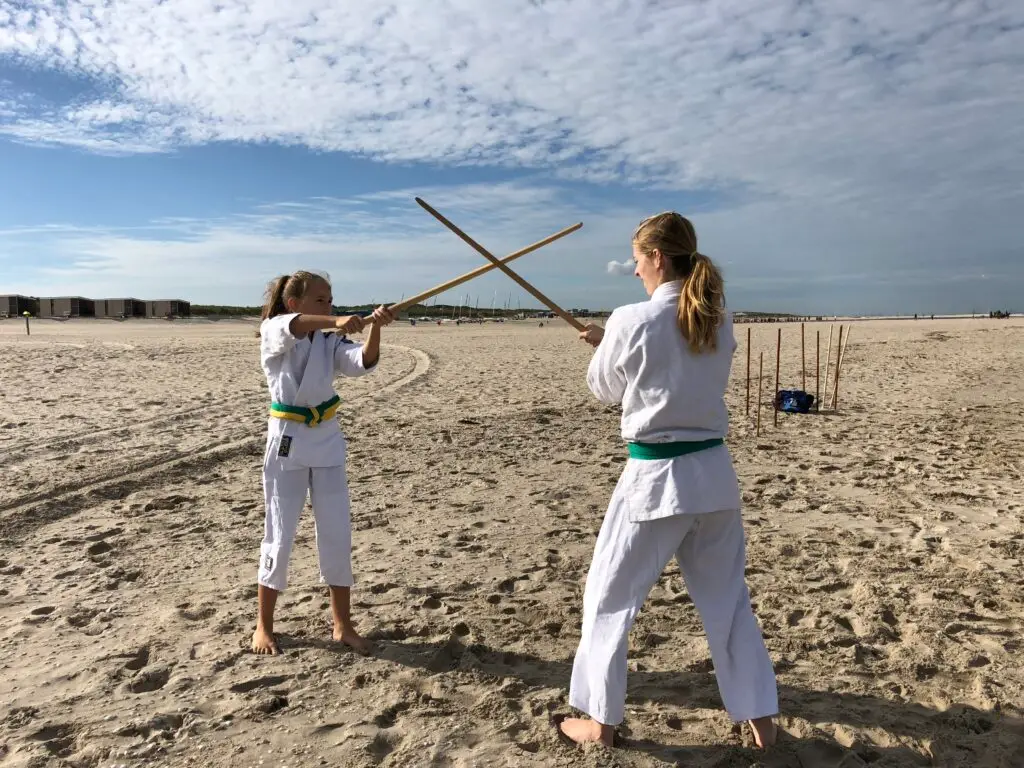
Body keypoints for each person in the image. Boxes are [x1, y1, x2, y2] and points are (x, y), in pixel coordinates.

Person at [553, 212, 778, 749]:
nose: (634, 271)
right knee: (728, 602)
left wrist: (606, 344)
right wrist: (613, 342)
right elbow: (674, 358)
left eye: (637, 260)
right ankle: (763, 725)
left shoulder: (631, 319)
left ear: (657, 257)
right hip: (715, 480)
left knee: (608, 599)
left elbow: (605, 389)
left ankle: (601, 725)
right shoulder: (717, 317)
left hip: (655, 479)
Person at [252, 271, 395, 656]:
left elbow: (359, 362)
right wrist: (336, 320)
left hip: (327, 438)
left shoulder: (328, 339)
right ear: (295, 302)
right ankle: (263, 626)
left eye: (331, 300)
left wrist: (374, 328)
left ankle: (342, 625)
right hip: (287, 440)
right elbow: (294, 326)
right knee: (279, 532)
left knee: (336, 532)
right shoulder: (275, 327)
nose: (328, 306)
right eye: (321, 300)